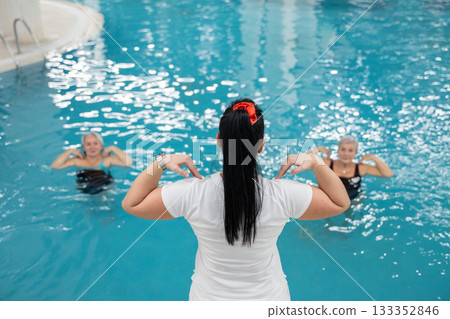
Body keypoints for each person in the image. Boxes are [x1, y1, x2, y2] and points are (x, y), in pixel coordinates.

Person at [122, 98, 350, 301]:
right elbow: (340, 202)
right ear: (261, 145)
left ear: (219, 140)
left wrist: (160, 162)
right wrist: (316, 161)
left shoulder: (192, 193)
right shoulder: (282, 194)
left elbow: (132, 204)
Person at [309, 136, 393, 200]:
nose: (346, 154)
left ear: (355, 153)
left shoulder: (361, 168)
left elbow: (388, 174)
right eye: (343, 149)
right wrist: (317, 149)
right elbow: (302, 162)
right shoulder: (327, 163)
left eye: (350, 151)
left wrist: (374, 158)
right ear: (338, 151)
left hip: (353, 199)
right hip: (329, 199)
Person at [51, 132, 132, 194]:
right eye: (88, 144)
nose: (92, 147)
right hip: (84, 188)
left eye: (95, 143)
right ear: (83, 147)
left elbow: (128, 162)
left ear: (101, 146)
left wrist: (113, 148)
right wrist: (70, 151)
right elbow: (55, 166)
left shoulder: (107, 160)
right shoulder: (78, 161)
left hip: (104, 187)